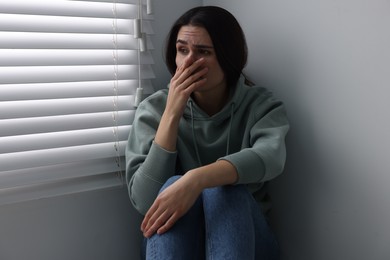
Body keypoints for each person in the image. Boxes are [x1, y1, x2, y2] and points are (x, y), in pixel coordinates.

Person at [126, 6, 289, 260]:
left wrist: (197, 180)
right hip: (177, 245)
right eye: (182, 50)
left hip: (248, 243)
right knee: (170, 186)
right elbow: (146, 202)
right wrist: (171, 113)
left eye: (203, 52)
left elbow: (271, 157)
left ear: (228, 57)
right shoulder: (154, 110)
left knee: (227, 189)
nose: (189, 61)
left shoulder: (260, 105)